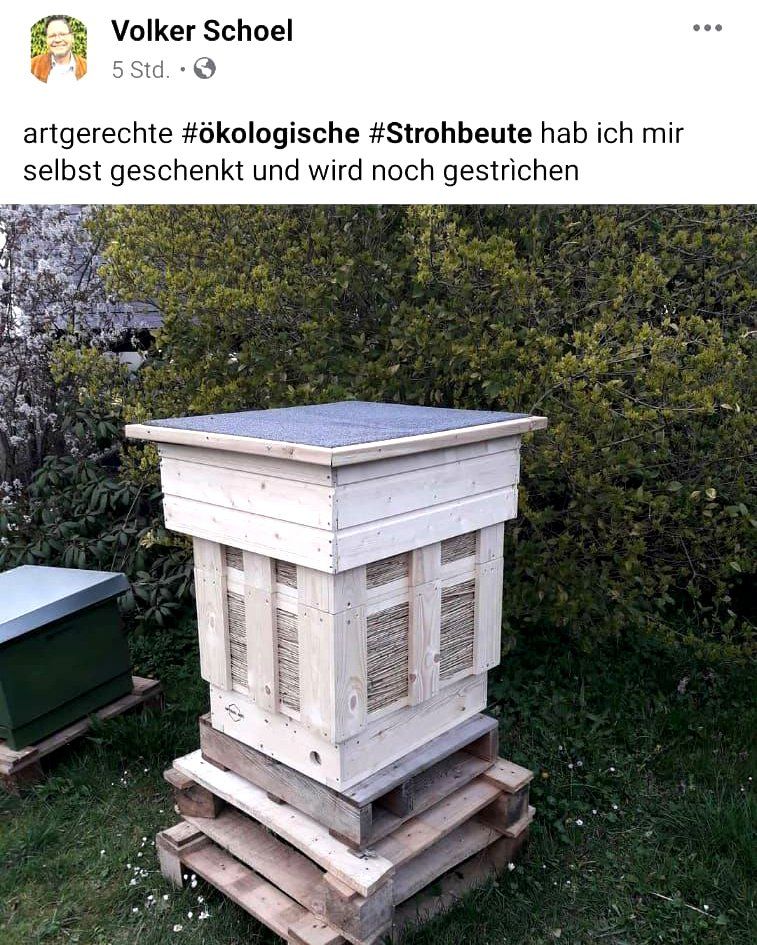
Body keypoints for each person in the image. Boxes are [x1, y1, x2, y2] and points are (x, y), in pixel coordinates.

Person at [31, 16, 86, 83]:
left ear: (72, 37)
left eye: (62, 34)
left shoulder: (86, 68)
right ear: (46, 39)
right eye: (52, 35)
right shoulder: (32, 66)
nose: (57, 40)